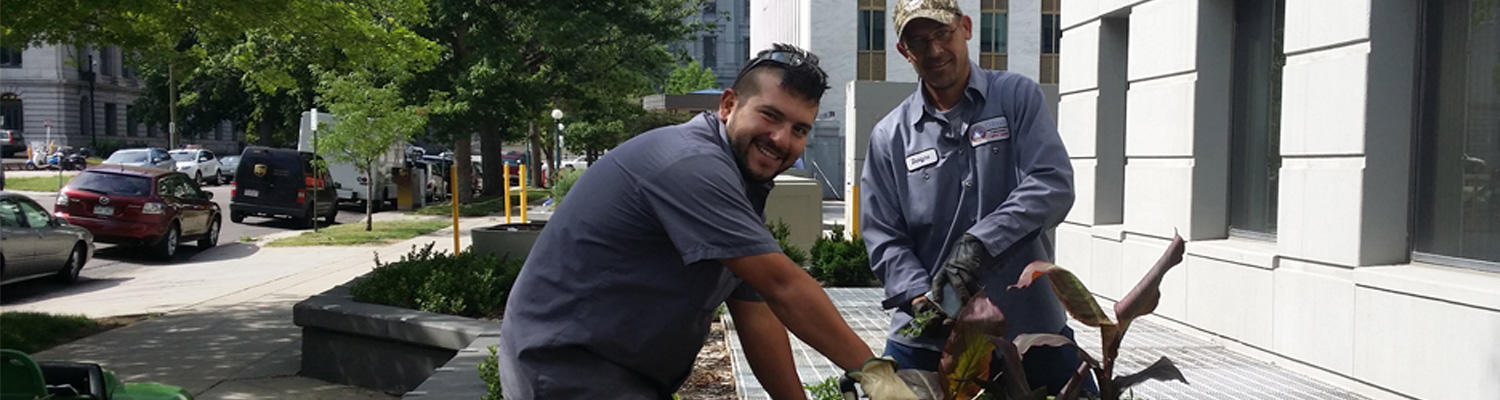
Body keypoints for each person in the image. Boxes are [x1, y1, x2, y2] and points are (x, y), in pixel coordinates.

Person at [497, 43, 919, 400]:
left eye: (799, 128)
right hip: (568, 369)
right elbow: (784, 285)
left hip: (615, 372)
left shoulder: (741, 182)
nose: (782, 139)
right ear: (728, 104)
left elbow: (757, 313)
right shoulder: (693, 166)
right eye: (770, 116)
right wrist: (875, 373)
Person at [859, 0, 1088, 395]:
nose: (934, 51)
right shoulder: (889, 136)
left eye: (942, 34)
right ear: (903, 52)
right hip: (929, 339)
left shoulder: (1017, 97)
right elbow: (883, 235)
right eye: (918, 42)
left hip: (1030, 330)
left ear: (965, 27)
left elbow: (1052, 184)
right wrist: (918, 297)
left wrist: (980, 243)